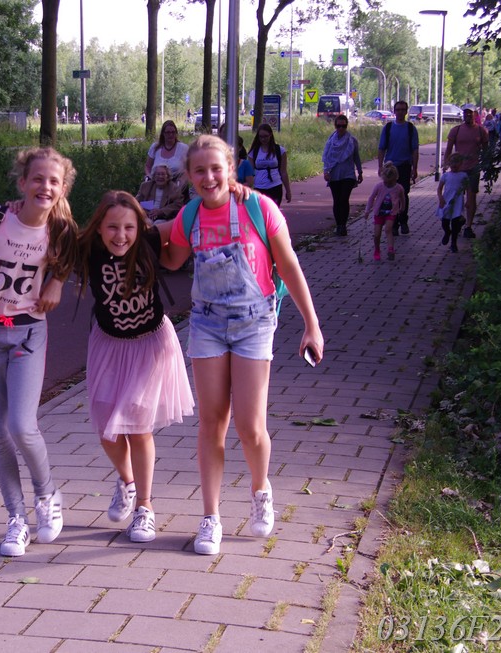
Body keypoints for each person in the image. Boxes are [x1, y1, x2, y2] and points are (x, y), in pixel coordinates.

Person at [160, 135, 325, 555]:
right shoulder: (190, 215)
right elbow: (171, 259)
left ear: (230, 169)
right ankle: (210, 517)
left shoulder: (259, 208)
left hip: (255, 324)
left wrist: (311, 324)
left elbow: (289, 265)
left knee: (250, 427)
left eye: (216, 168)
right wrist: (132, 231)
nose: (209, 177)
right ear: (189, 176)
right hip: (207, 324)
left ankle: (260, 489)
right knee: (212, 422)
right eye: (199, 171)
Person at [0, 147, 79, 557]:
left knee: (22, 425)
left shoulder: (61, 230)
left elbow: (70, 258)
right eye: (37, 178)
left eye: (54, 181)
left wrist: (57, 281)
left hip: (28, 334)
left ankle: (47, 495)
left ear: (63, 190)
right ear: (22, 182)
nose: (45, 186)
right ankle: (16, 519)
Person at [75, 191, 195, 543]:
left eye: (128, 227)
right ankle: (127, 482)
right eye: (112, 227)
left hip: (150, 344)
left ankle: (145, 507)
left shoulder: (151, 238)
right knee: (107, 429)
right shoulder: (87, 247)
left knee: (138, 427)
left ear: (139, 228)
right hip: (108, 344)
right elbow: (51, 234)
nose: (121, 235)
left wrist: (225, 192)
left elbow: (189, 218)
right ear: (99, 227)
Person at [444, 107, 489, 239]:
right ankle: (458, 219)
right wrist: (446, 164)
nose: (468, 115)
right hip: (458, 169)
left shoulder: (481, 131)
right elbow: (448, 149)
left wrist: (486, 164)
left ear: (475, 114)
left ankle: (468, 226)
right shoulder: (456, 130)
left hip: (473, 169)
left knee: (471, 198)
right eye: (465, 113)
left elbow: (486, 150)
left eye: (470, 113)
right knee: (455, 197)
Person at [377, 100, 419, 236]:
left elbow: (415, 150)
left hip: (405, 166)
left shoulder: (411, 129)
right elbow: (381, 148)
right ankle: (393, 223)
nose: (400, 112)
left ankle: (403, 221)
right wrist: (380, 166)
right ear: (394, 112)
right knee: (390, 195)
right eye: (398, 110)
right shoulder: (388, 128)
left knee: (403, 194)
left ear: (406, 112)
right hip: (390, 167)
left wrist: (414, 168)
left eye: (403, 110)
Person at [322, 114, 364, 237]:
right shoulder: (330, 141)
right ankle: (338, 225)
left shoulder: (352, 141)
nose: (341, 128)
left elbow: (356, 157)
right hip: (334, 174)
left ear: (346, 126)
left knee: (344, 199)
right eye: (339, 126)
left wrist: (360, 172)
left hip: (348, 175)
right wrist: (326, 171)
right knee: (336, 200)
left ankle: (343, 225)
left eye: (343, 126)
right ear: (335, 126)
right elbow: (327, 157)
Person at [363, 162, 405, 262]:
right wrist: (367, 210)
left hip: (391, 212)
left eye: (390, 183)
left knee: (388, 229)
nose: (387, 184)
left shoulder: (398, 188)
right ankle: (377, 249)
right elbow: (372, 198)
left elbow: (402, 198)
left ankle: (391, 249)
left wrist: (402, 207)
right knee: (377, 234)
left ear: (395, 179)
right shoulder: (379, 186)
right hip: (379, 212)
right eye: (385, 182)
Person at [248, 123, 292, 206]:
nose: (263, 139)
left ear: (270, 135)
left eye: (266, 136)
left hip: (275, 186)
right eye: (261, 137)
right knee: (261, 211)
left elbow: (283, 172)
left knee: (273, 210)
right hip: (259, 187)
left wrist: (288, 191)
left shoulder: (280, 151)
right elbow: (250, 173)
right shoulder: (253, 152)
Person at [437, 153, 468, 253]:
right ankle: (447, 232)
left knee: (455, 223)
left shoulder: (463, 176)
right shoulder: (446, 176)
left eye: (456, 163)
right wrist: (441, 198)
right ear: (449, 164)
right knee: (445, 222)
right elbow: (439, 188)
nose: (454, 165)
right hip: (446, 201)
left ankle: (453, 243)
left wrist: (468, 200)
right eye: (452, 163)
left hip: (457, 202)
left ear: (461, 164)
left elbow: (468, 188)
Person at [217, 122, 254, 187]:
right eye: (225, 132)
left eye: (229, 132)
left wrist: (235, 187)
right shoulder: (214, 155)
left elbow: (250, 182)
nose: (227, 135)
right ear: (220, 134)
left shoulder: (245, 163)